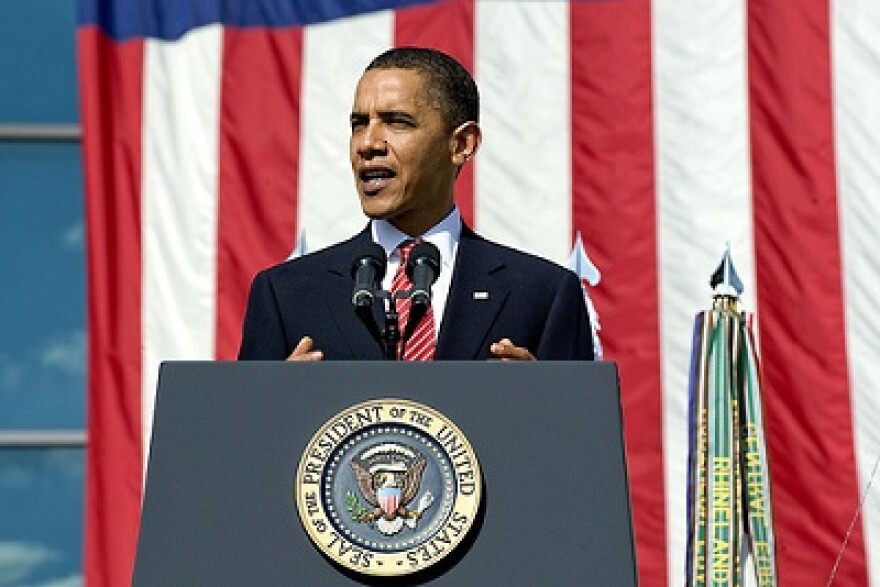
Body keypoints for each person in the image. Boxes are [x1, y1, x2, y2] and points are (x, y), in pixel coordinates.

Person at [238, 47, 593, 362]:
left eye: (397, 122)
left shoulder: (543, 293)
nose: (368, 143)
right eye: (359, 124)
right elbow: (242, 434)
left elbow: (581, 433)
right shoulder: (286, 294)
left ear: (462, 144)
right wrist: (277, 404)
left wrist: (542, 403)